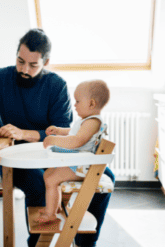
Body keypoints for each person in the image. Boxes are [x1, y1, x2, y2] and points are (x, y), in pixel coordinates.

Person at [0, 28, 115, 247]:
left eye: (33, 65)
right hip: (13, 158)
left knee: (104, 174)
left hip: (52, 155)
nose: (24, 69)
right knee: (38, 184)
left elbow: (62, 129)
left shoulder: (56, 85)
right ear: (16, 55)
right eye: (20, 61)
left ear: (46, 62)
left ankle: (84, 246)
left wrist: (25, 133)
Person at [37, 80, 110, 223]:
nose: (74, 105)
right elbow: (73, 133)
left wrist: (54, 139)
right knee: (48, 175)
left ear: (91, 104)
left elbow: (76, 141)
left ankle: (50, 214)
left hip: (82, 167)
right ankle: (54, 207)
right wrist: (59, 131)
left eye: (77, 101)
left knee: (51, 179)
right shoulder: (87, 121)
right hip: (78, 164)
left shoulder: (92, 122)